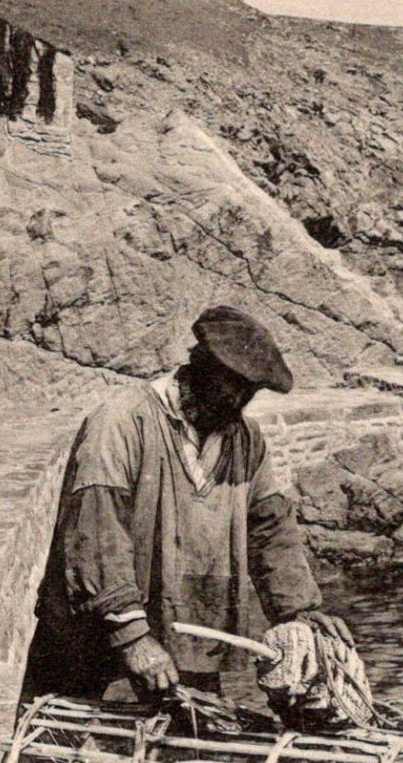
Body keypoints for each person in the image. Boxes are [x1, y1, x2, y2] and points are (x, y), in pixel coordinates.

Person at [19, 305, 353, 723]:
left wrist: (297, 610)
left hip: (191, 637)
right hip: (95, 637)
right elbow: (97, 534)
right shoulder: (122, 422)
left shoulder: (244, 438)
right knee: (61, 755)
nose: (236, 401)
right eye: (229, 387)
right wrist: (133, 637)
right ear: (199, 367)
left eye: (247, 393)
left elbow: (269, 527)